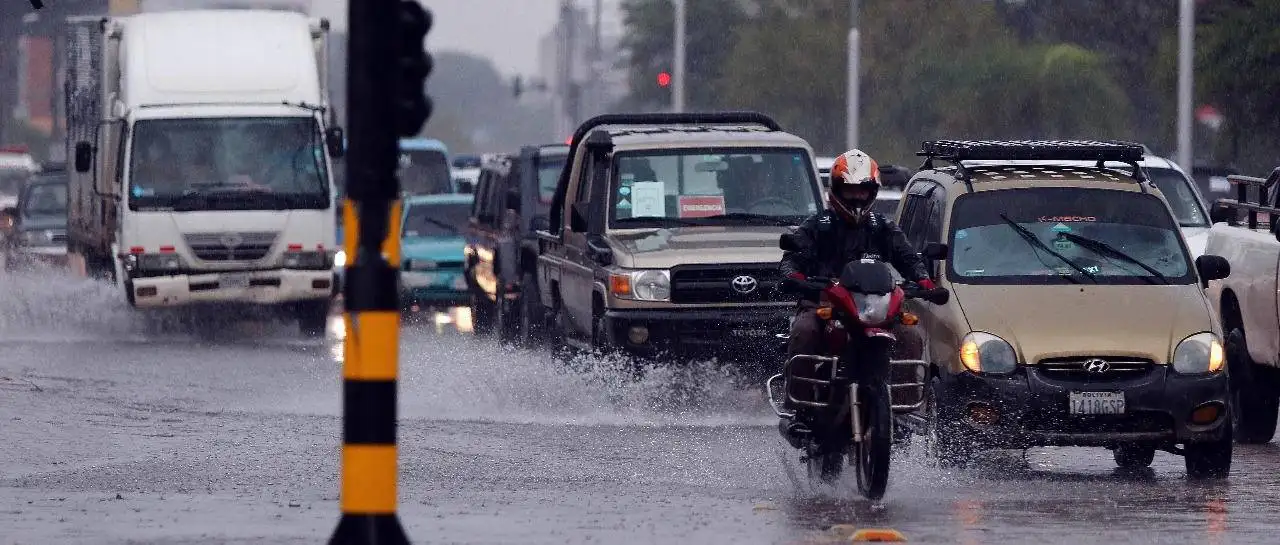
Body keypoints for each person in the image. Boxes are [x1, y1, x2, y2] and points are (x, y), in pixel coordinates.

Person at [776, 149, 937, 425]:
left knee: (910, 336)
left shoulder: (882, 227)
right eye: (849, 191)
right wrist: (795, 278)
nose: (857, 197)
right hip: (824, 303)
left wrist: (923, 281)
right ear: (836, 190)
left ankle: (902, 409)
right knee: (804, 332)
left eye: (863, 191)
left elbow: (908, 258)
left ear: (872, 191)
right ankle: (800, 408)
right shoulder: (818, 226)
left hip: (875, 307)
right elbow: (791, 260)